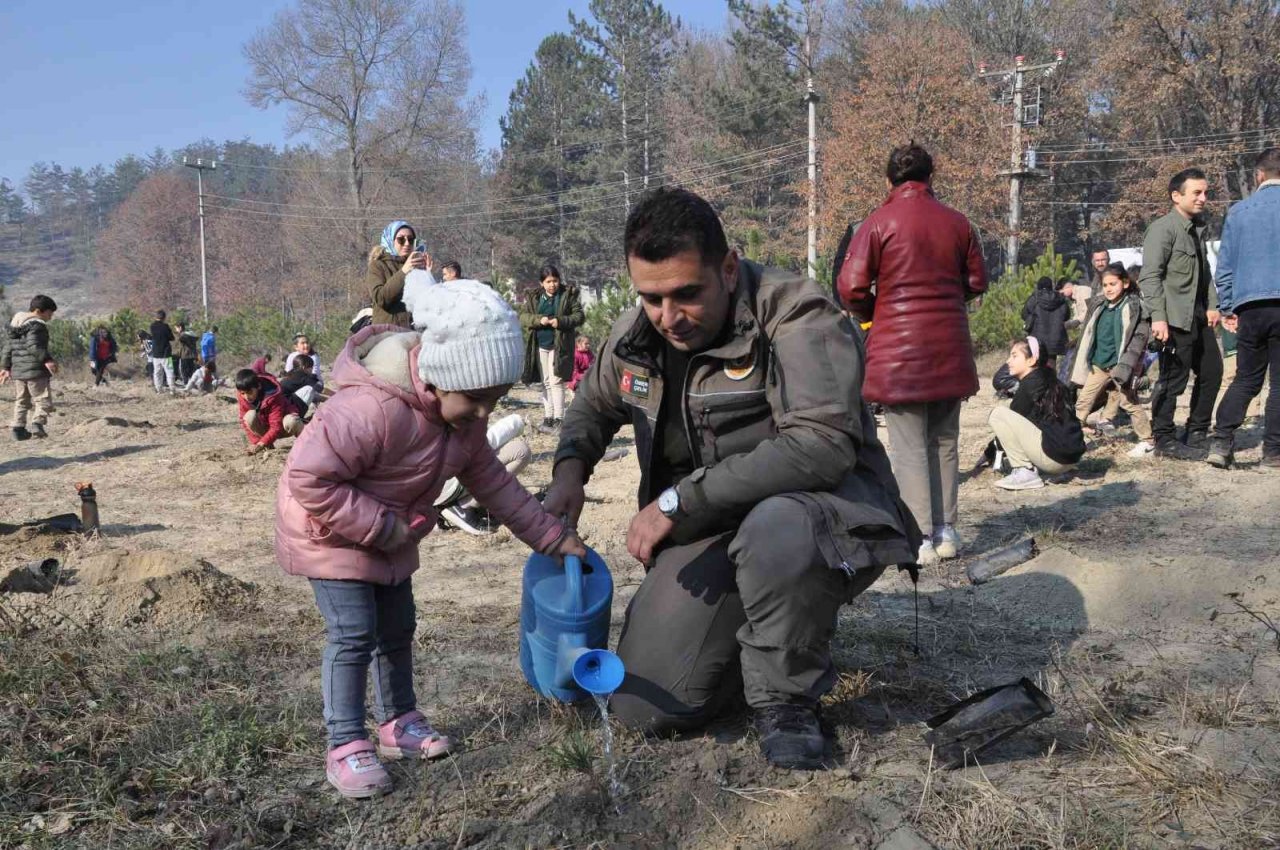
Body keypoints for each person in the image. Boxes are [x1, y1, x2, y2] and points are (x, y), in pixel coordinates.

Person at [545, 187, 917, 770]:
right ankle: (760, 636)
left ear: (725, 267)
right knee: (646, 708)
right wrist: (569, 470)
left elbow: (822, 447)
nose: (669, 317)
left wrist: (675, 502)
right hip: (714, 525)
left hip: (820, 515)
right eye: (652, 298)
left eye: (687, 294)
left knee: (776, 528)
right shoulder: (639, 332)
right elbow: (592, 407)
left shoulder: (798, 313)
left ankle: (787, 699)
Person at [274, 280, 585, 798]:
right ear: (441, 379)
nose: (485, 413)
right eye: (477, 399)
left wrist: (553, 538)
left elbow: (499, 489)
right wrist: (381, 527)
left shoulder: (460, 424)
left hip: (390, 535)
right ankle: (346, 742)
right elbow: (308, 478)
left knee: (397, 628)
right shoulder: (369, 410)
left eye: (496, 399)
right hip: (330, 533)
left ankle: (399, 723)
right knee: (353, 633)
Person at [836, 142, 987, 566]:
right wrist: (946, 299)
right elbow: (977, 281)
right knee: (945, 441)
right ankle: (947, 532)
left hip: (899, 353)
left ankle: (919, 539)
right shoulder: (958, 224)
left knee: (908, 447)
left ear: (889, 181)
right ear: (930, 178)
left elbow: (849, 288)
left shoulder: (877, 223)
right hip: (949, 346)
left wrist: (876, 312)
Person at [1139, 167, 1223, 460]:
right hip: (1173, 319)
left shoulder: (1196, 230)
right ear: (1176, 196)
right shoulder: (1163, 229)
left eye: (1206, 192)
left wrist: (1213, 305)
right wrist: (1158, 317)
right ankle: (1163, 438)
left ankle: (1197, 431)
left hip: (1198, 317)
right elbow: (1150, 277)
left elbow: (1206, 273)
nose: (1203, 198)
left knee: (1213, 372)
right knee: (1173, 379)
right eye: (1197, 192)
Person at [1208, 147, 1280, 469]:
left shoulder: (1238, 212)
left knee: (1247, 379)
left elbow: (1224, 268)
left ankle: (1221, 443)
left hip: (1250, 307)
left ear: (1258, 175)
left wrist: (1227, 308)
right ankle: (1273, 454)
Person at [1067, 263, 1155, 457]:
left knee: (1128, 402)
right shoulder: (1099, 306)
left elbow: (1137, 342)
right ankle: (1070, 439)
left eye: (1112, 284)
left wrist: (1128, 368)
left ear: (1124, 283)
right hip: (1098, 365)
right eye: (1105, 285)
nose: (1108, 289)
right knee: (1083, 401)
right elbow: (1088, 336)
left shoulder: (1134, 307)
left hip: (1120, 367)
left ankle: (1147, 441)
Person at [989, 338, 1086, 490]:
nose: (1008, 361)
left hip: (1055, 459)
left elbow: (1011, 428)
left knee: (998, 414)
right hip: (1072, 458)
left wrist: (989, 453)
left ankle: (1024, 472)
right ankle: (1051, 469)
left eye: (1014, 356)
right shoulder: (1054, 381)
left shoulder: (1030, 384)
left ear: (1031, 360)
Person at [434, 413, 532, 535]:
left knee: (515, 449)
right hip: (444, 485)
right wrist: (517, 422)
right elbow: (484, 442)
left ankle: (473, 504)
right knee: (519, 451)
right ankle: (464, 507)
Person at [519, 264, 583, 434]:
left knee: (556, 381)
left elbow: (579, 316)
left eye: (555, 281)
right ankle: (548, 417)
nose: (552, 284)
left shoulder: (567, 295)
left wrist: (560, 321)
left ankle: (559, 418)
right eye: (548, 281)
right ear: (542, 283)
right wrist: (539, 320)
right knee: (545, 382)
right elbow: (524, 317)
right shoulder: (534, 298)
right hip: (540, 345)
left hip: (559, 345)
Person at [0, 294, 59, 440]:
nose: (50, 317)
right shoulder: (37, 325)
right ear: (39, 311)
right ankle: (37, 424)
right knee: (43, 400)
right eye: (49, 313)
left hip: (19, 372)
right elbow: (34, 346)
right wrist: (48, 359)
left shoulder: (15, 325)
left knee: (21, 400)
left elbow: (8, 348)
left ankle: (18, 429)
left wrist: (5, 367)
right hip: (36, 371)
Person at [367, 219, 429, 327]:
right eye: (401, 240)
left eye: (410, 239)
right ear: (390, 240)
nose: (406, 244)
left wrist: (428, 275)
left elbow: (427, 304)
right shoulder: (378, 265)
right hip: (387, 334)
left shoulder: (417, 266)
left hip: (413, 334)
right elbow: (380, 299)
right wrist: (404, 271)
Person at [235, 368, 305, 454]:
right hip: (265, 428)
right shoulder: (242, 395)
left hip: (283, 426)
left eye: (249, 392)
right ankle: (267, 447)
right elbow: (244, 421)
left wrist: (261, 444)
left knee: (292, 420)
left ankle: (307, 444)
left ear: (259, 386)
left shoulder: (273, 395)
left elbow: (276, 426)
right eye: (243, 393)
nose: (246, 396)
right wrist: (256, 443)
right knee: (249, 416)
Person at [1021, 276, 1070, 367]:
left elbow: (1024, 315)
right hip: (1055, 339)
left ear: (1038, 286)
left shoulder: (1034, 298)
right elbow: (1066, 316)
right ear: (1051, 286)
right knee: (1051, 366)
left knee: (1037, 365)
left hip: (1037, 339)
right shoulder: (1060, 298)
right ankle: (1050, 379)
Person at [148, 310, 176, 393]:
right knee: (169, 371)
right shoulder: (165, 326)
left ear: (156, 317)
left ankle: (159, 389)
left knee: (157, 373)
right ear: (164, 317)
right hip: (166, 353)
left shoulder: (152, 326)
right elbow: (172, 338)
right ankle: (172, 390)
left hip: (156, 354)